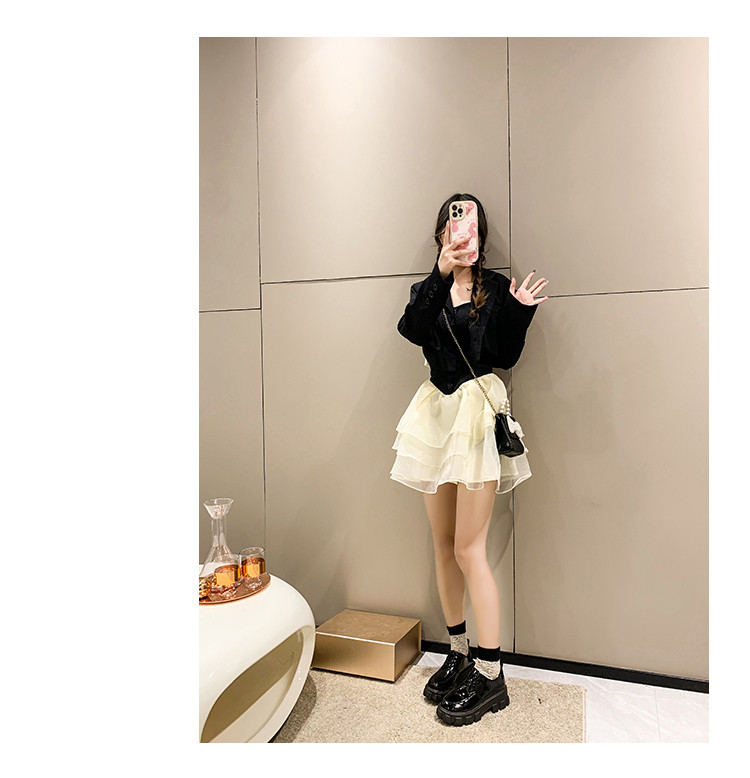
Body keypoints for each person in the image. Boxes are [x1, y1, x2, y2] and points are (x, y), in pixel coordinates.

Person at [389, 192, 549, 726]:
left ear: (480, 235)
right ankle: (458, 652)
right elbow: (412, 331)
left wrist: (519, 312)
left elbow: (503, 355)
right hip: (435, 418)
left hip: (477, 418)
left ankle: (491, 673)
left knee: (468, 548)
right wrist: (441, 273)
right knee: (442, 544)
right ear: (443, 234)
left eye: (473, 226)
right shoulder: (427, 290)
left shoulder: (495, 289)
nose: (465, 234)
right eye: (456, 225)